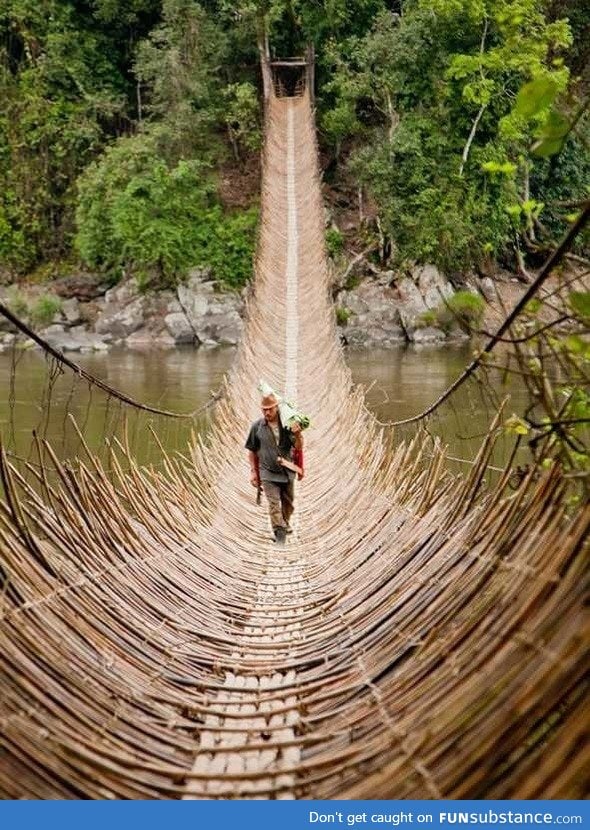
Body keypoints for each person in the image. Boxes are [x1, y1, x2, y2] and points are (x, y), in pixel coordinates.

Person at [245, 393, 303, 544]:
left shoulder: (288, 425)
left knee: (288, 503)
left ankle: (284, 522)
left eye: (270, 409)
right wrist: (253, 472)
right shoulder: (257, 427)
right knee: (273, 504)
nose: (267, 413)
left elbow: (298, 447)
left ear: (277, 407)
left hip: (287, 470)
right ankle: (280, 537)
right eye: (264, 410)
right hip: (267, 472)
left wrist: (297, 435)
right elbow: (251, 450)